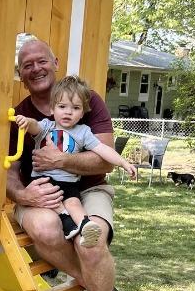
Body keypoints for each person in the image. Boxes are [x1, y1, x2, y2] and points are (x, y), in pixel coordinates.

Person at [6, 38, 133, 291]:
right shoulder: (21, 115)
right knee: (46, 229)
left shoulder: (87, 100)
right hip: (40, 192)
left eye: (41, 60)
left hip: (87, 188)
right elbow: (8, 172)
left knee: (91, 239)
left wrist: (61, 160)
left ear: (55, 62)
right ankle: (104, 289)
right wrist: (23, 195)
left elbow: (103, 158)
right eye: (27, 65)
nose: (36, 68)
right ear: (20, 74)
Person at [15, 75, 136, 246]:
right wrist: (26, 121)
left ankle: (86, 226)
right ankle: (66, 219)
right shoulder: (47, 127)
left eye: (75, 108)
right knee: (51, 196)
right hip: (44, 180)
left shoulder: (83, 132)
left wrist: (123, 162)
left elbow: (103, 149)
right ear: (52, 109)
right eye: (62, 106)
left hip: (69, 182)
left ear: (82, 113)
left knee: (74, 203)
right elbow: (34, 126)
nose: (68, 112)